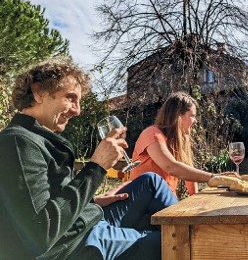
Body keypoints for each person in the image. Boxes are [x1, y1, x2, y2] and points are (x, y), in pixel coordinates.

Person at [0, 57, 178, 260]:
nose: (77, 110)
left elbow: (44, 199)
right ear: (39, 92)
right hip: (75, 245)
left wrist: (90, 200)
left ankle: (191, 230)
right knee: (169, 242)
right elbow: (41, 232)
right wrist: (96, 167)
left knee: (151, 182)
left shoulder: (35, 138)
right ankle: (193, 240)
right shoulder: (17, 142)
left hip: (83, 220)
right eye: (70, 98)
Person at [130, 91, 226, 197]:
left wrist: (195, 200)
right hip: (146, 202)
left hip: (166, 203)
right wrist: (215, 178)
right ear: (178, 115)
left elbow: (188, 174)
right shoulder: (152, 134)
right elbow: (170, 166)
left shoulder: (179, 140)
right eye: (192, 115)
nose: (195, 121)